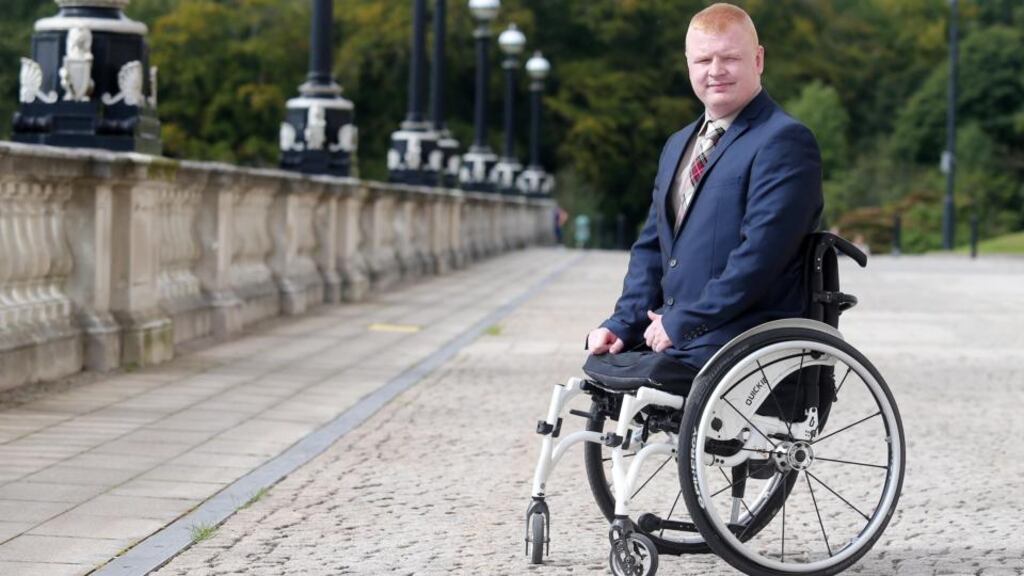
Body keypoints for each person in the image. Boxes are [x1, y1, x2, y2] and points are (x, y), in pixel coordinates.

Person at [586, 3, 823, 374]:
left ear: (758, 60)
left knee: (647, 374)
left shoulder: (784, 141)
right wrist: (623, 323)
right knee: (601, 364)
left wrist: (683, 323)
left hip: (742, 332)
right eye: (703, 60)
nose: (715, 71)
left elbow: (760, 258)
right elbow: (651, 248)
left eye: (729, 58)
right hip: (679, 329)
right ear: (688, 64)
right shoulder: (678, 144)